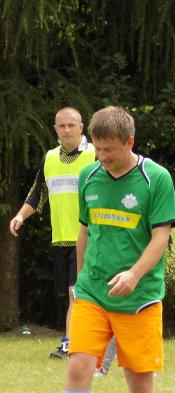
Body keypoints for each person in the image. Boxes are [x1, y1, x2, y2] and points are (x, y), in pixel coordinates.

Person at [47, 106, 175, 393]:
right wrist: (81, 280)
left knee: (139, 378)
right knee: (78, 365)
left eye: (110, 150)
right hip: (92, 294)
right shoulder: (89, 175)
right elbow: (85, 230)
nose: (102, 157)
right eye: (99, 149)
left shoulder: (156, 178)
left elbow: (161, 237)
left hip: (139, 299)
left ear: (130, 142)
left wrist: (134, 275)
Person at [9, 107, 95, 359]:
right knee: (76, 295)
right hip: (61, 239)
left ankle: (71, 344)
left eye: (71, 125)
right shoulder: (50, 158)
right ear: (55, 129)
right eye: (62, 126)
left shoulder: (95, 155)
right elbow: (38, 192)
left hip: (90, 237)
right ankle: (83, 342)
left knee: (76, 293)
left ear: (81, 127)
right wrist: (20, 216)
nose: (67, 130)